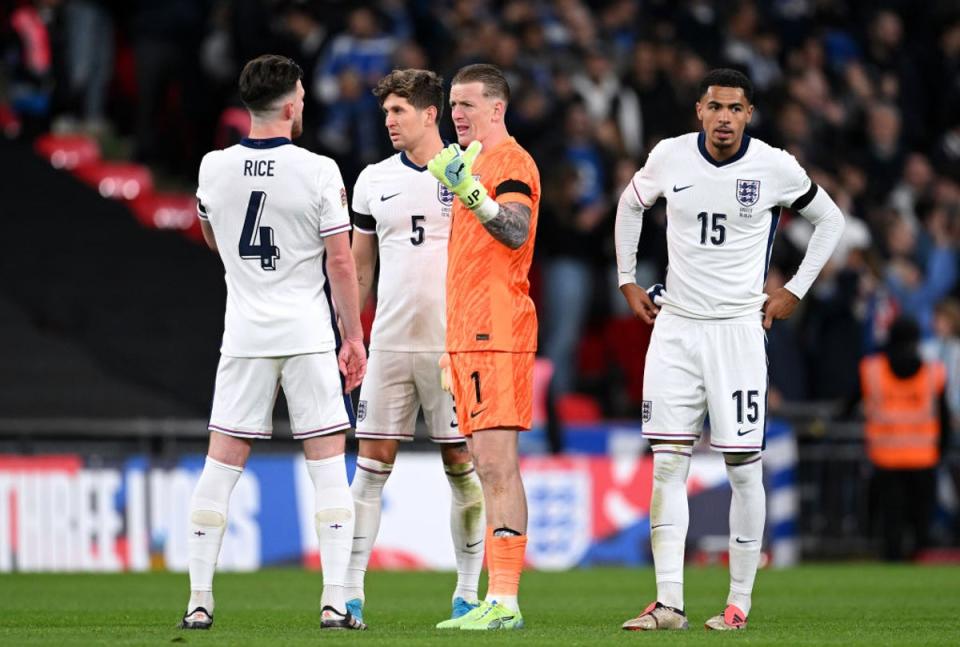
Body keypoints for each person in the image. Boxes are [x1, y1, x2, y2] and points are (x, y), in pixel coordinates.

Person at [615, 68, 844, 631]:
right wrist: (627, 279)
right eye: (715, 107)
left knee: (744, 468)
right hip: (675, 328)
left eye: (735, 109)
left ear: (749, 113)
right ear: (699, 110)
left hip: (738, 331)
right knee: (667, 464)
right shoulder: (670, 156)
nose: (724, 118)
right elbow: (629, 206)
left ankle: (738, 603)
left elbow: (830, 220)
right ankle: (669, 603)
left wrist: (792, 291)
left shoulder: (774, 166)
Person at [180, 55, 366, 631]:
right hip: (308, 334)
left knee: (221, 463)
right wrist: (353, 336)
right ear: (290, 104)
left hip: (244, 334)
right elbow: (340, 259)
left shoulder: (213, 168)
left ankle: (199, 600)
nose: (305, 104)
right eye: (303, 97)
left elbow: (213, 239)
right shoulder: (317, 170)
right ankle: (335, 600)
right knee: (328, 464)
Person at [345, 68, 485, 626]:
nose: (389, 122)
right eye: (385, 113)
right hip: (391, 345)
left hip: (452, 348)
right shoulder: (373, 179)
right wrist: (351, 335)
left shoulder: (468, 171)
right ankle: (348, 592)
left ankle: (468, 593)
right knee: (371, 466)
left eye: (399, 112)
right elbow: (359, 266)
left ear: (431, 114)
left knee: (460, 463)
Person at [426, 63, 540, 631]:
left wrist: (470, 191)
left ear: (498, 107)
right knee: (484, 466)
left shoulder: (511, 162)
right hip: (468, 338)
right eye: (453, 106)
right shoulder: (470, 163)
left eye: (468, 105)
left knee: (497, 467)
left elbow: (516, 230)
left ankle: (506, 600)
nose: (457, 115)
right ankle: (497, 598)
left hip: (497, 334)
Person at [862, 316, 947, 561]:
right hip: (924, 459)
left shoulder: (872, 370)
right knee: (920, 518)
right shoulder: (934, 372)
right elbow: (942, 417)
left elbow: (849, 403)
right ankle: (920, 560)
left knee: (892, 519)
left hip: (886, 459)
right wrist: (940, 450)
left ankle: (893, 559)